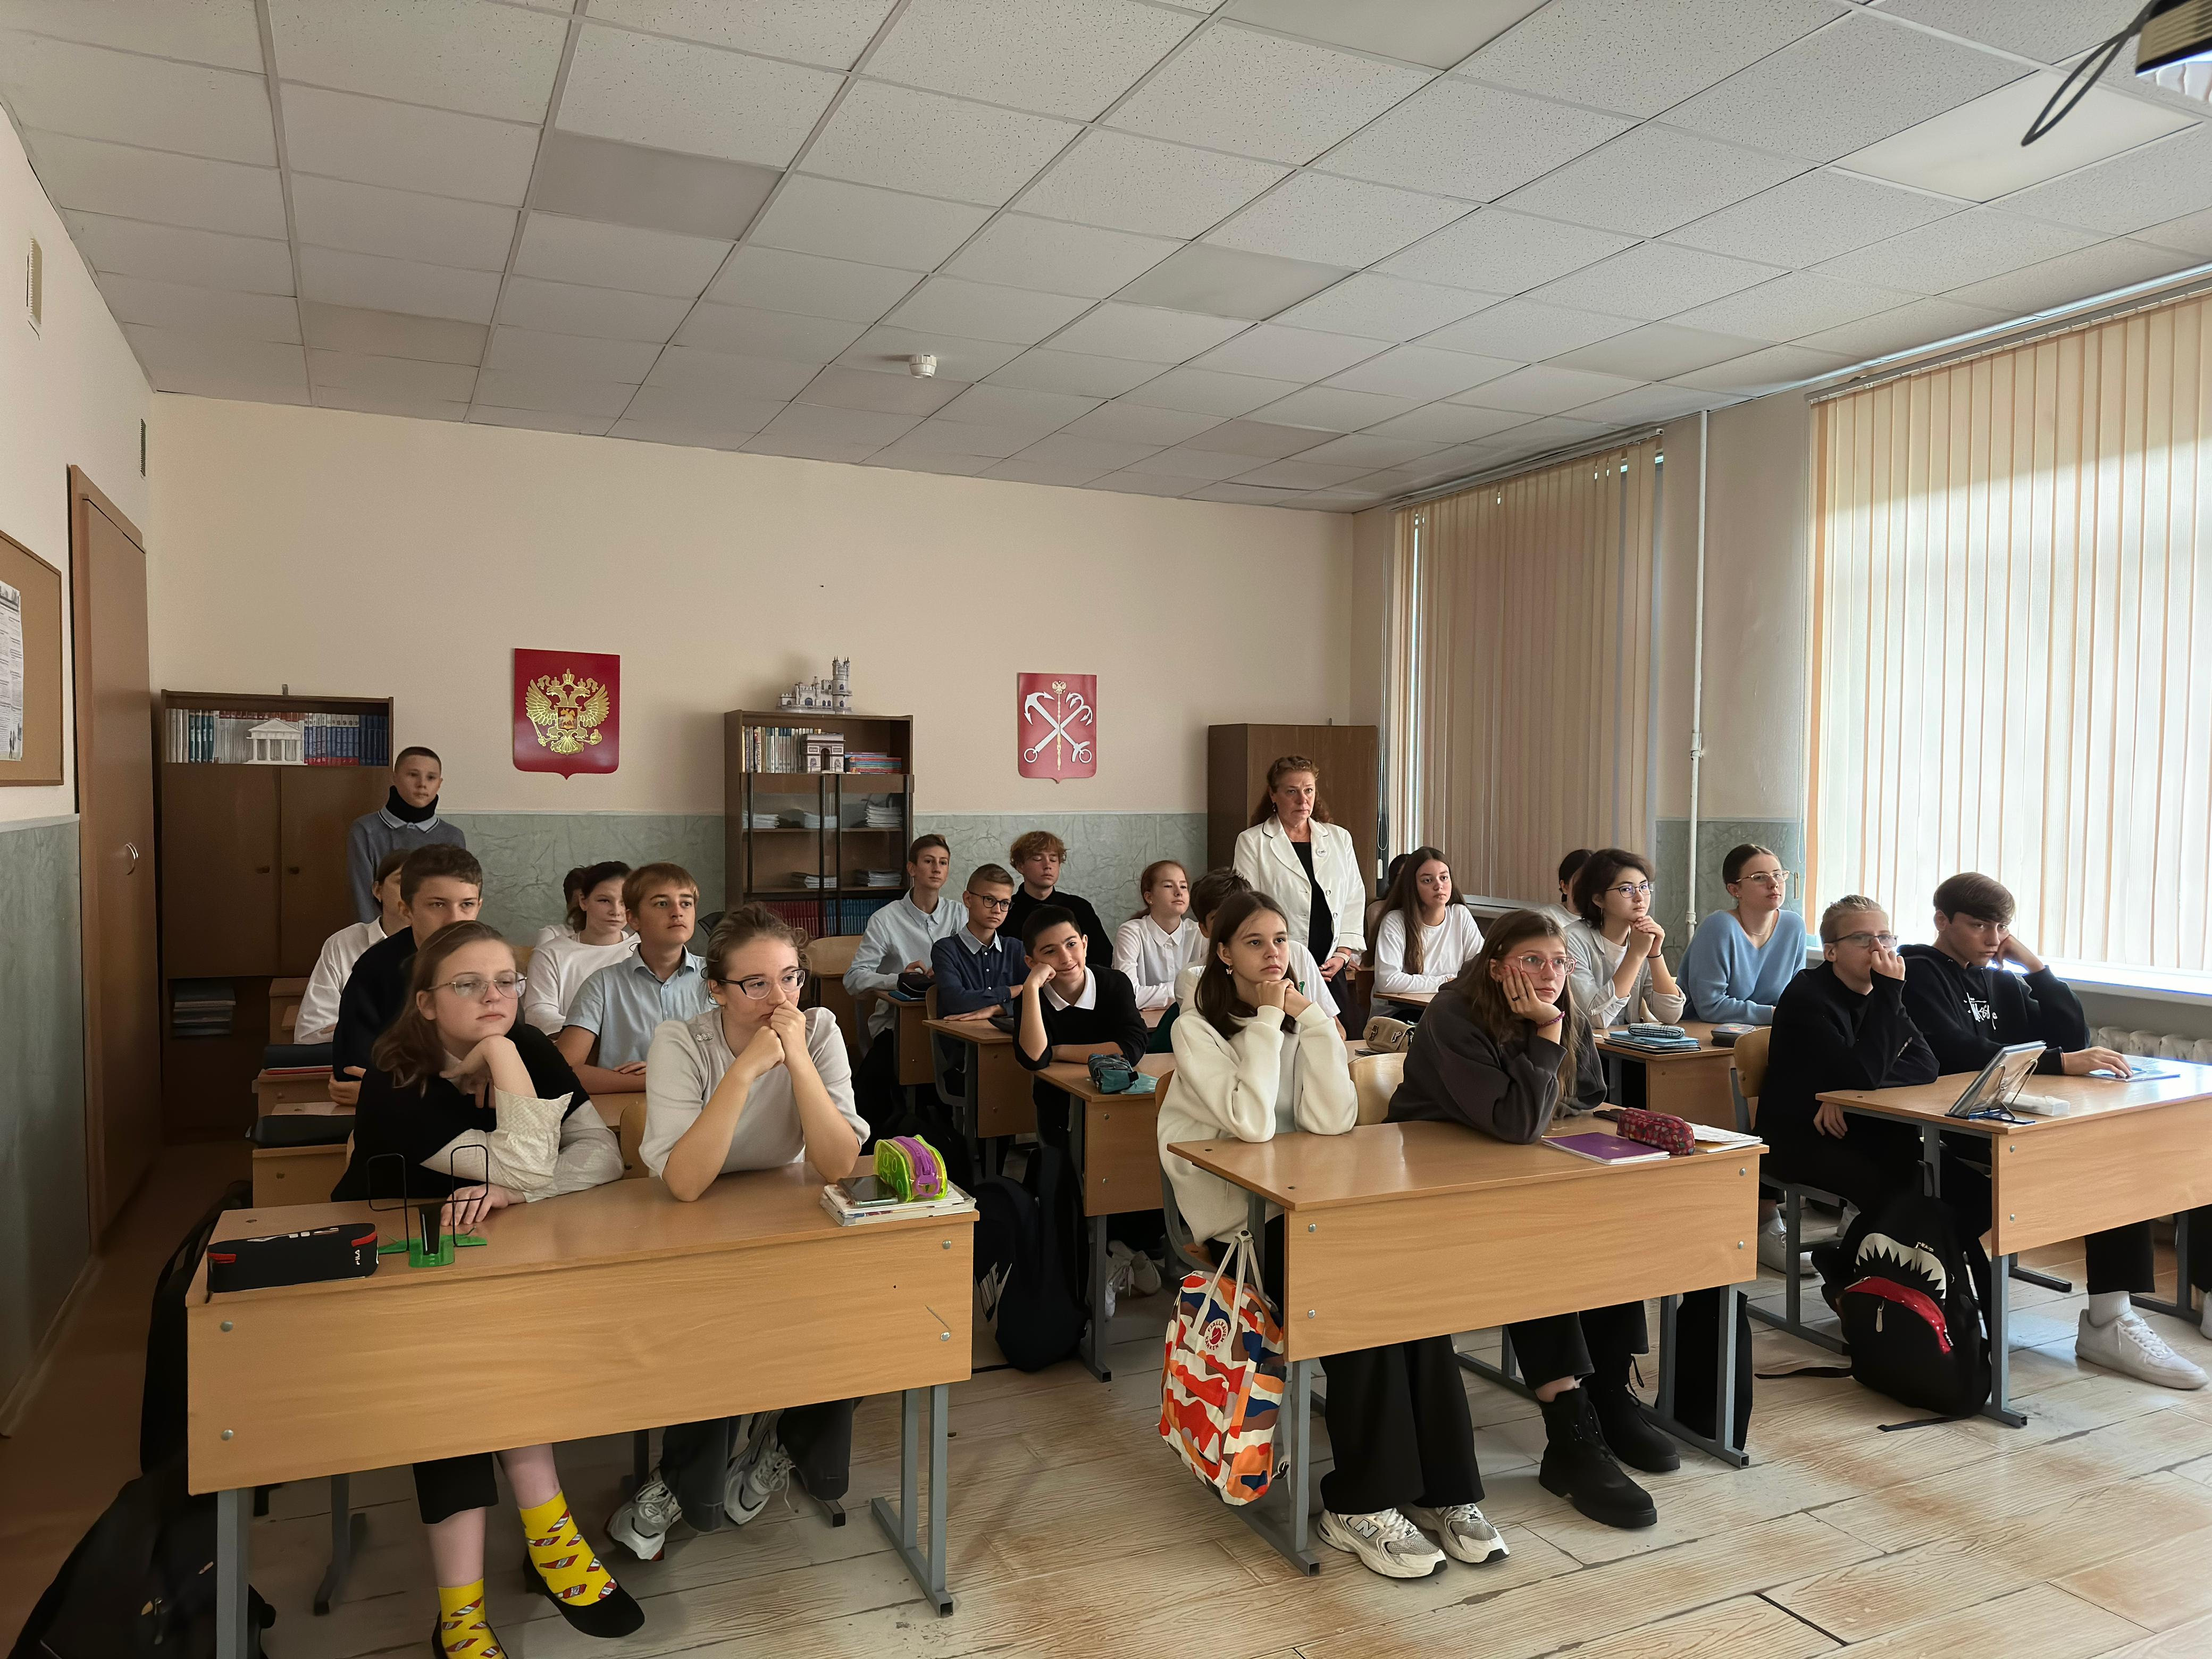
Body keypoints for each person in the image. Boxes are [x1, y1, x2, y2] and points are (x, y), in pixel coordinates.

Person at [1162, 891, 1493, 1579]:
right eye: (1254, 942)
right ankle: (1358, 1505)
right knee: (1353, 1302)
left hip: (1307, 1207)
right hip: (1241, 1227)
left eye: (1281, 940)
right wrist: (1266, 1021)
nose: (1273, 954)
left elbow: (1333, 1121)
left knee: (1415, 1299)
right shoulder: (1195, 1028)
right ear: (1223, 953)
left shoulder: (1293, 1019)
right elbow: (1251, 1124)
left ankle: (1444, 1488)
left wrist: (1312, 1021)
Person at [327, 919, 635, 1657]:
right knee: (457, 1385)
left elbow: (599, 1154)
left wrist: (518, 1188)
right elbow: (529, 1162)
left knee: (504, 1355)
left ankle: (535, 1557)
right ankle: (480, 1602)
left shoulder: (529, 1043)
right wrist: (498, 1055)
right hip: (393, 1268)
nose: (495, 997)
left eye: (506, 981)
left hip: (493, 1256)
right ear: (427, 1003)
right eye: (468, 985)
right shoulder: (397, 1076)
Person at [1389, 909, 1671, 1529]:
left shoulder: (1562, 1007)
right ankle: (1568, 1433)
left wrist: (1538, 1093)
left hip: (1516, 1171)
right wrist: (1544, 1034)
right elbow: (1516, 1122)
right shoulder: (1453, 1015)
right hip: (1430, 1187)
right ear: (1496, 968)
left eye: (1559, 962)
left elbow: (1587, 1095)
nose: (1549, 975)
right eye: (1532, 961)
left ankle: (1608, 1396)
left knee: (1602, 1230)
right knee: (1532, 1247)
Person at [608, 907, 869, 1560]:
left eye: (790, 977)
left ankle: (781, 1446)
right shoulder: (680, 1041)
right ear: (717, 989)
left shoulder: (821, 1029)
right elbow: (686, 1183)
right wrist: (747, 1069)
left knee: (859, 1312)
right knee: (714, 1330)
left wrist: (797, 1060)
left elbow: (837, 1163)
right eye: (755, 984)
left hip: (787, 1211)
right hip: (696, 1220)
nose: (779, 999)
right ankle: (683, 1483)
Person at [1901, 873, 2203, 1390]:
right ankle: (2108, 1322)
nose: (1993, 938)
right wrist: (2058, 1063)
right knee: (2104, 1159)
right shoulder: (1917, 971)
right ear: (1942, 921)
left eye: (2002, 927)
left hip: (2019, 1114)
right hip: (1955, 1120)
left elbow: (2069, 1034)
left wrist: (2037, 970)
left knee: (2133, 1147)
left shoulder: (1999, 979)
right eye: (1979, 925)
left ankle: (2114, 1316)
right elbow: (1951, 1051)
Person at [1759, 896, 1964, 1297]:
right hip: (1800, 1138)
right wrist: (1855, 1083)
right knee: (1899, 1190)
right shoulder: (1807, 997)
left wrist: (1844, 1093)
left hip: (1862, 1127)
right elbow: (1862, 1074)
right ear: (1831, 951)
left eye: (1885, 937)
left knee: (1956, 1186)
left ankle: (1881, 1270)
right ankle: (1854, 1281)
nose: (1878, 948)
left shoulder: (1884, 995)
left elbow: (1925, 1065)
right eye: (1862, 938)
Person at [330, 843, 484, 1107]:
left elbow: (503, 1078)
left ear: (479, 906)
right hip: (399, 1123)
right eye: (438, 905)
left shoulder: (494, 963)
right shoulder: (375, 968)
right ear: (406, 910)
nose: (454, 920)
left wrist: (391, 1094)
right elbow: (353, 1076)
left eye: (466, 905)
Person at [844, 835, 967, 1135]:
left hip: (951, 1021)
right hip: (898, 1026)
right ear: (912, 869)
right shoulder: (886, 919)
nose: (936, 869)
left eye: (943, 863)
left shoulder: (960, 914)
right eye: (929, 862)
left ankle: (955, 1142)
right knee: (873, 1088)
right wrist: (899, 978)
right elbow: (854, 979)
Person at [557, 863, 711, 1098]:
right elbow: (563, 1072)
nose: (677, 912)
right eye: (662, 903)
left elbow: (745, 1056)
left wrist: (673, 1073)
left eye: (686, 903)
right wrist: (653, 1080)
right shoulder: (603, 984)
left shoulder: (719, 978)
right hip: (626, 1111)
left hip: (709, 1108)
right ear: (634, 919)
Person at [1231, 755, 1367, 990]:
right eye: (1292, 792)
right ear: (1273, 795)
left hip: (1331, 966)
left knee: (1335, 1016)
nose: (1303, 800)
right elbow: (1248, 905)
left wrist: (1343, 953)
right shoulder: (1252, 842)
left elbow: (1354, 897)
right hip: (1279, 965)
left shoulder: (1339, 838)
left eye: (1309, 790)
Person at [1174, 867, 1338, 1022]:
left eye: (1245, 916)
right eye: (1221, 919)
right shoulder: (1194, 978)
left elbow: (1335, 1027)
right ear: (1203, 929)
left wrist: (1311, 1018)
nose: (1273, 952)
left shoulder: (1296, 953)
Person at [1680, 844, 1806, 1026]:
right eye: (1760, 877)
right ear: (1734, 890)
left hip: (1768, 1031)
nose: (1774, 884)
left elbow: (1796, 996)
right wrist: (1776, 1014)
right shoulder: (1719, 927)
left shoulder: (1794, 926)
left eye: (1778, 875)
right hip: (1705, 1033)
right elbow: (1710, 1007)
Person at [297, 847, 407, 1045]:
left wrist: (355, 1028)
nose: (412, 891)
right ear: (378, 890)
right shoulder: (343, 943)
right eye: (402, 881)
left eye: (421, 884)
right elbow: (311, 1034)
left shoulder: (443, 946)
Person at [346, 745, 466, 924]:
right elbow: (362, 899)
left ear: (440, 783)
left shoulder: (453, 836)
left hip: (436, 933)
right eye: (413, 775)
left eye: (431, 778)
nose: (422, 784)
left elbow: (456, 896)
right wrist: (378, 938)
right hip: (383, 934)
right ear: (394, 777)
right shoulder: (366, 830)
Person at [1565, 848, 1684, 1028]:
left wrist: (1655, 954)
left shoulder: (1641, 938)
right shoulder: (1571, 940)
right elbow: (1597, 1018)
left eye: (1644, 887)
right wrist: (1636, 955)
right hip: (1587, 1044)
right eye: (1626, 889)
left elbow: (1671, 1015)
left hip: (1628, 1044)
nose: (1640, 898)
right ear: (1598, 899)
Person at [522, 860, 633, 1035]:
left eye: (624, 902)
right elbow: (539, 1012)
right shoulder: (551, 954)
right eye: (605, 900)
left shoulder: (645, 950)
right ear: (583, 901)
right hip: (570, 1047)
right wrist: (587, 1035)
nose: (616, 911)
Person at [1368, 846, 1484, 1007]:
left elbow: (1480, 969)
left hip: (1448, 1007)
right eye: (1428, 881)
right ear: (1413, 886)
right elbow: (1388, 981)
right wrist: (1447, 981)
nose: (1439, 886)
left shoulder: (1460, 915)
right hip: (1399, 1014)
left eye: (1444, 878)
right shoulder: (1395, 921)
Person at [931, 864, 1027, 1020]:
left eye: (1004, 903)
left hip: (1005, 1034)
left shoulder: (1016, 948)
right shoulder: (945, 950)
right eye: (989, 900)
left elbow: (1038, 999)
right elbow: (956, 1002)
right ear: (968, 899)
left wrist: (997, 1009)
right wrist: (1011, 991)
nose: (997, 910)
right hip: (960, 1034)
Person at [1002, 831, 1113, 966]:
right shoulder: (1005, 910)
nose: (1047, 865)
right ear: (1021, 866)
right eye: (1037, 859)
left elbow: (1103, 958)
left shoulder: (1079, 907)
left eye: (1053, 859)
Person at [1113, 859, 1203, 1012]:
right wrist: (1185, 992)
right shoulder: (1131, 933)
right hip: (1145, 1024)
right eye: (1168, 886)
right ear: (1149, 897)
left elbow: (1212, 990)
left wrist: (1152, 999)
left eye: (1183, 886)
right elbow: (1128, 995)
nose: (1179, 892)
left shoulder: (1200, 933)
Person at [532, 866, 596, 949]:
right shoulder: (553, 935)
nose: (585, 910)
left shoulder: (612, 937)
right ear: (568, 907)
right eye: (579, 904)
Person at [1543, 850, 1592, 927]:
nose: (1589, 889)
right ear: (1565, 887)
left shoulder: (1604, 921)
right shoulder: (1546, 919)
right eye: (1582, 883)